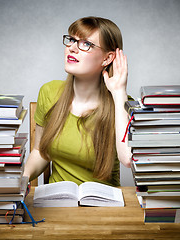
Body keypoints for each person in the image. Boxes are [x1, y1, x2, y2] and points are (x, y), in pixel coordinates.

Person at [23, 16, 131, 187]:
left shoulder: (122, 104)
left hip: (104, 208)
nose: (72, 48)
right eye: (72, 40)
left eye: (86, 44)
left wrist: (119, 93)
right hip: (56, 203)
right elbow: (40, 151)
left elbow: (127, 159)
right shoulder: (49, 92)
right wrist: (21, 179)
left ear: (107, 58)